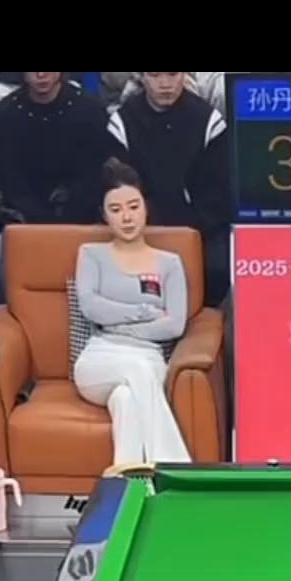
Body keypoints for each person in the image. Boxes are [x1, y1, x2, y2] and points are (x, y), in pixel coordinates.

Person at [74, 160, 190, 467]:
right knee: (137, 372)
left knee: (126, 399)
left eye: (133, 206)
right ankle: (174, 469)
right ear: (104, 215)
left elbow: (174, 325)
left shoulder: (169, 263)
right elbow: (91, 306)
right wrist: (141, 311)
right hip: (100, 357)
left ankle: (128, 481)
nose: (126, 217)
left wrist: (120, 325)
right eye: (115, 209)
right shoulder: (91, 254)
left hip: (149, 357)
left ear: (145, 207)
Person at [109, 71, 231, 306]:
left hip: (199, 230)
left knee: (218, 265)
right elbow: (119, 191)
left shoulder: (209, 122)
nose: (165, 84)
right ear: (141, 77)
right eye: (155, 75)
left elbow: (216, 198)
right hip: (139, 229)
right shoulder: (122, 123)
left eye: (173, 74)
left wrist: (183, 235)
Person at [0, 71, 112, 238]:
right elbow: (10, 182)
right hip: (26, 222)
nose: (41, 74)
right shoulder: (5, 115)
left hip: (85, 217)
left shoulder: (91, 111)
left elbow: (93, 174)